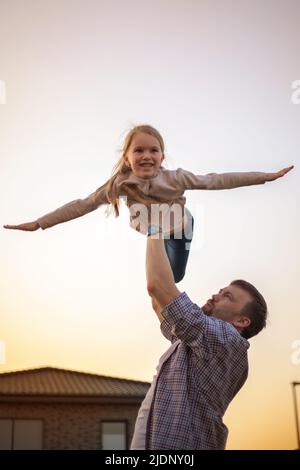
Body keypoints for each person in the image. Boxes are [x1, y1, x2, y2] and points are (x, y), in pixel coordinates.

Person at [3, 124, 293, 282]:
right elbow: (82, 204)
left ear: (162, 157)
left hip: (180, 225)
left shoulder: (176, 178)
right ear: (127, 157)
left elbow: (216, 180)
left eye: (154, 150)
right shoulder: (119, 185)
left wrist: (263, 177)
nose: (146, 156)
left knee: (176, 276)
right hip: (154, 229)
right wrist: (41, 223)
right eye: (139, 150)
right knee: (160, 257)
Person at [130, 227, 268, 450]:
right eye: (220, 290)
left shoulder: (226, 341)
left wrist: (155, 227)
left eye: (227, 297)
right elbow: (158, 298)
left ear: (242, 321)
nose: (215, 295)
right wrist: (157, 235)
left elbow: (158, 285)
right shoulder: (197, 343)